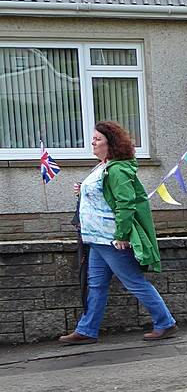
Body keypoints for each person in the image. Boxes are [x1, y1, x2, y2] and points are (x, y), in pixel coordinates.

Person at [59, 121, 178, 345]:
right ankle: (87, 329)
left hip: (111, 239)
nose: (92, 142)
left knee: (134, 281)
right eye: (93, 138)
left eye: (98, 139)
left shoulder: (118, 169)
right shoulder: (102, 166)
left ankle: (165, 322)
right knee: (96, 285)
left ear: (110, 144)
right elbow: (103, 195)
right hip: (96, 239)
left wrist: (122, 235)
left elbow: (126, 204)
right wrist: (82, 190)